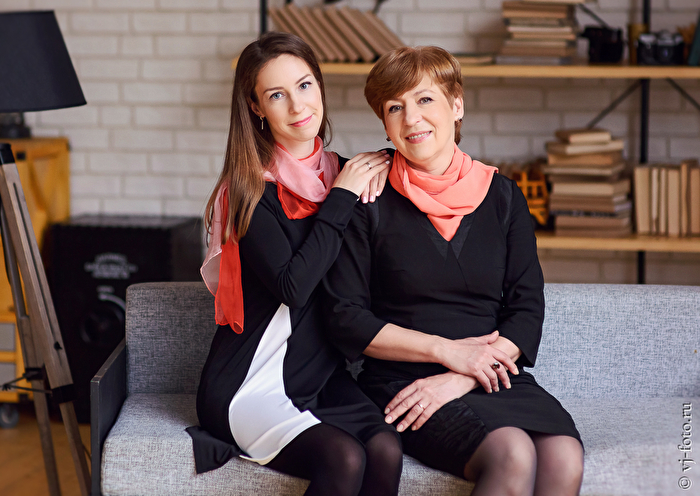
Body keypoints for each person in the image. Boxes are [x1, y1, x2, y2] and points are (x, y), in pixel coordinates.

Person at [322, 46, 584, 496]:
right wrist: (446, 353)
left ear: (456, 105)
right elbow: (345, 318)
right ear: (384, 124)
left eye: (425, 99)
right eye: (394, 108)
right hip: (404, 380)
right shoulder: (367, 197)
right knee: (513, 453)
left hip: (489, 372)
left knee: (564, 456)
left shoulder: (504, 196)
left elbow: (526, 310)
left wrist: (464, 373)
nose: (412, 119)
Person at [186, 32, 403, 496]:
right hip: (250, 382)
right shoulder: (248, 191)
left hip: (321, 377)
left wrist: (388, 163)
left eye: (304, 85)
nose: (297, 105)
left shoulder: (347, 172)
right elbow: (293, 286)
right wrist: (341, 198)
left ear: (320, 85)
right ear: (256, 107)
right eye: (276, 95)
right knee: (344, 457)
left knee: (385, 449)